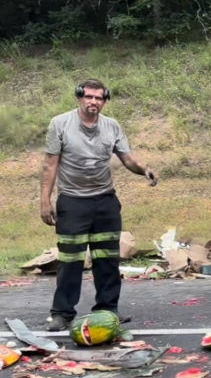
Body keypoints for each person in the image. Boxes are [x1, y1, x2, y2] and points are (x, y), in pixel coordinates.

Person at [39, 79, 158, 331]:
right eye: (89, 97)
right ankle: (62, 313)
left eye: (99, 98)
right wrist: (45, 200)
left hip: (105, 201)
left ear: (105, 101)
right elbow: (50, 164)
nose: (93, 102)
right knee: (70, 261)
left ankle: (107, 310)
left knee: (107, 260)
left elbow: (127, 158)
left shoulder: (112, 126)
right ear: (80, 97)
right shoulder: (60, 124)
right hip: (72, 202)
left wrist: (144, 169)